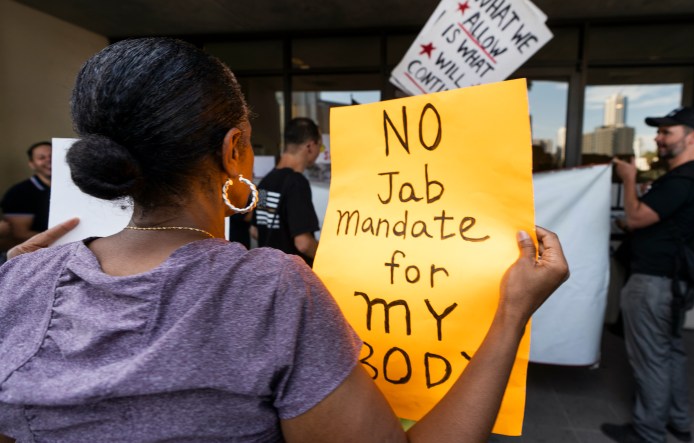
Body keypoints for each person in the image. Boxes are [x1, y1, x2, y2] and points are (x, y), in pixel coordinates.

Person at [0, 38, 569, 442]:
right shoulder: (271, 290)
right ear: (233, 150)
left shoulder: (19, 278)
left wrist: (17, 280)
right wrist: (511, 312)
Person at [602, 107, 694, 443]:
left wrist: (630, 179)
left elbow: (635, 220)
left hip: (654, 283)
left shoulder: (681, 181)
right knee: (670, 352)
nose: (659, 138)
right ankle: (678, 422)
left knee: (651, 358)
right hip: (675, 283)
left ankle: (649, 432)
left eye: (668, 132)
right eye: (659, 132)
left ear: (693, 137)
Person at [250, 117, 321, 265]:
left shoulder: (265, 182)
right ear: (310, 146)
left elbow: (255, 230)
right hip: (291, 278)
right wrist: (329, 258)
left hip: (267, 274)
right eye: (319, 147)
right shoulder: (297, 183)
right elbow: (304, 243)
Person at [0, 141, 53, 247]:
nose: (49, 160)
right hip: (37, 251)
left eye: (52, 156)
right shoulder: (18, 193)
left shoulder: (78, 187)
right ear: (32, 164)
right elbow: (19, 234)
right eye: (41, 158)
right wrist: (65, 240)